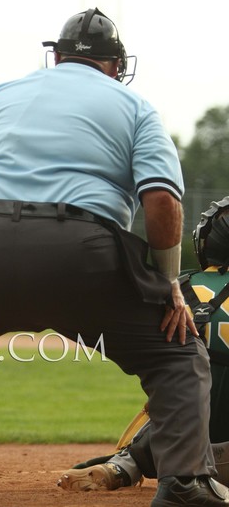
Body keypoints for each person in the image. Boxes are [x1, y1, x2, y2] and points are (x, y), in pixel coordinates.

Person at [0, 8, 227, 507]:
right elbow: (162, 200)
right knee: (177, 357)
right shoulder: (135, 106)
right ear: (115, 64)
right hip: (83, 253)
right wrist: (167, 285)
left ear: (56, 56)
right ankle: (183, 483)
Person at [58, 196, 229, 491]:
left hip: (182, 457)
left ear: (206, 241)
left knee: (179, 397)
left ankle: (125, 464)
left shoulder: (177, 291)